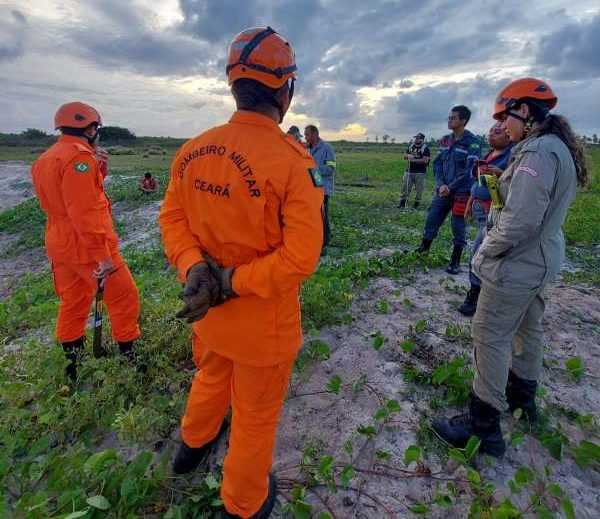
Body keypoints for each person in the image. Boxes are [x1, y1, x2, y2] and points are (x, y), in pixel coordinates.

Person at [158, 27, 323, 518]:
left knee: (209, 376)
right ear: (284, 91)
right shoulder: (294, 163)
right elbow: (300, 259)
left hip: (206, 314)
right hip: (261, 327)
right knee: (253, 417)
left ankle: (190, 449)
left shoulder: (193, 150)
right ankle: (244, 503)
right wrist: (232, 282)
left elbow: (172, 220)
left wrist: (195, 269)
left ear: (235, 86)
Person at [432, 78, 590, 457]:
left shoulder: (537, 154)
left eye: (506, 116)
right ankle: (523, 399)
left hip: (518, 262)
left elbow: (519, 220)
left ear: (525, 112)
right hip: (541, 258)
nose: (502, 125)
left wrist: (486, 251)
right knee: (527, 328)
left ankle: (483, 427)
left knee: (489, 334)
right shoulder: (554, 148)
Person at [31, 102, 141, 380]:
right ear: (91, 128)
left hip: (60, 245)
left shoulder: (47, 157)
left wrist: (99, 171)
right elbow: (83, 212)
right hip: (87, 248)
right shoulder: (79, 160)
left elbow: (65, 197)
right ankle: (131, 358)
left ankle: (73, 366)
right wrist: (103, 257)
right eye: (97, 128)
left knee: (73, 302)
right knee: (124, 297)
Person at [415, 106, 482, 274]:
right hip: (442, 190)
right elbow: (437, 164)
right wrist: (441, 185)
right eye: (449, 117)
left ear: (463, 121)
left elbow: (470, 171)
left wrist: (450, 187)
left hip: (461, 192)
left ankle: (455, 261)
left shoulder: (473, 142)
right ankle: (424, 249)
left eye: (453, 118)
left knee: (458, 226)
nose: (449, 120)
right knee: (432, 219)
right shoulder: (445, 140)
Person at [458, 122, 513, 316]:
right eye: (490, 130)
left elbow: (514, 184)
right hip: (481, 207)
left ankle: (475, 295)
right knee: (484, 252)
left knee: (479, 253)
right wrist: (470, 203)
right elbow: (479, 182)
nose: (491, 134)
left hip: (495, 212)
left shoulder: (512, 156)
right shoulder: (489, 154)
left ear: (509, 136)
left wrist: (501, 174)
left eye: (497, 132)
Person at [304, 124, 336, 251]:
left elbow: (330, 168)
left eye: (307, 134)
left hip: (324, 188)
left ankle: (325, 241)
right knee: (314, 215)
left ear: (315, 134)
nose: (305, 137)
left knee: (322, 215)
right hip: (312, 188)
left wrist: (314, 169)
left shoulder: (327, 148)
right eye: (305, 135)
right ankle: (316, 239)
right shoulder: (308, 149)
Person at [398, 132, 431, 210]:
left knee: (419, 188)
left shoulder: (425, 148)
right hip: (409, 171)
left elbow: (426, 160)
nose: (416, 139)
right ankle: (402, 203)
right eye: (415, 138)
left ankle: (416, 204)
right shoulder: (411, 146)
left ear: (422, 139)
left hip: (420, 172)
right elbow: (405, 156)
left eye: (418, 138)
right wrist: (408, 156)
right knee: (405, 187)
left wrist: (413, 159)